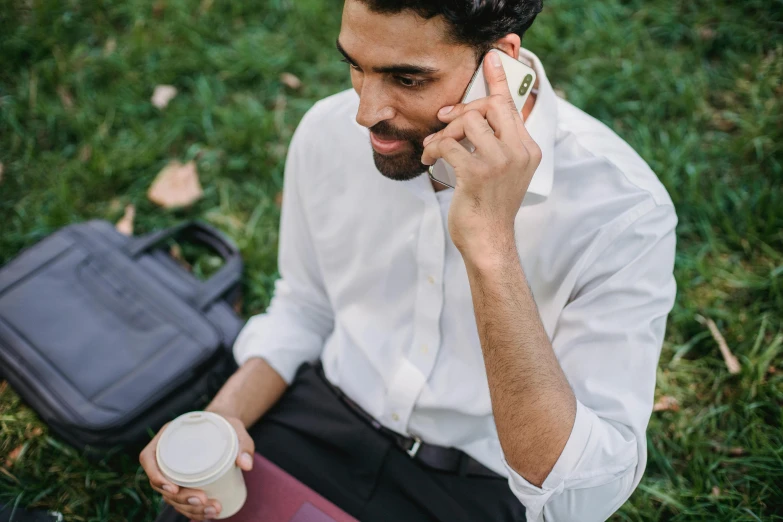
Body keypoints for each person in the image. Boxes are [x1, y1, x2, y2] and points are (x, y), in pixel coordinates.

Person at [140, 1, 677, 520]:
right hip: (320, 422)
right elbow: (305, 307)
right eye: (354, 65)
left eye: (408, 79)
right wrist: (224, 417)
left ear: (501, 63)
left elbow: (581, 497)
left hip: (480, 487)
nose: (366, 112)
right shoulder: (326, 134)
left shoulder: (622, 214)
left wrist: (491, 249)